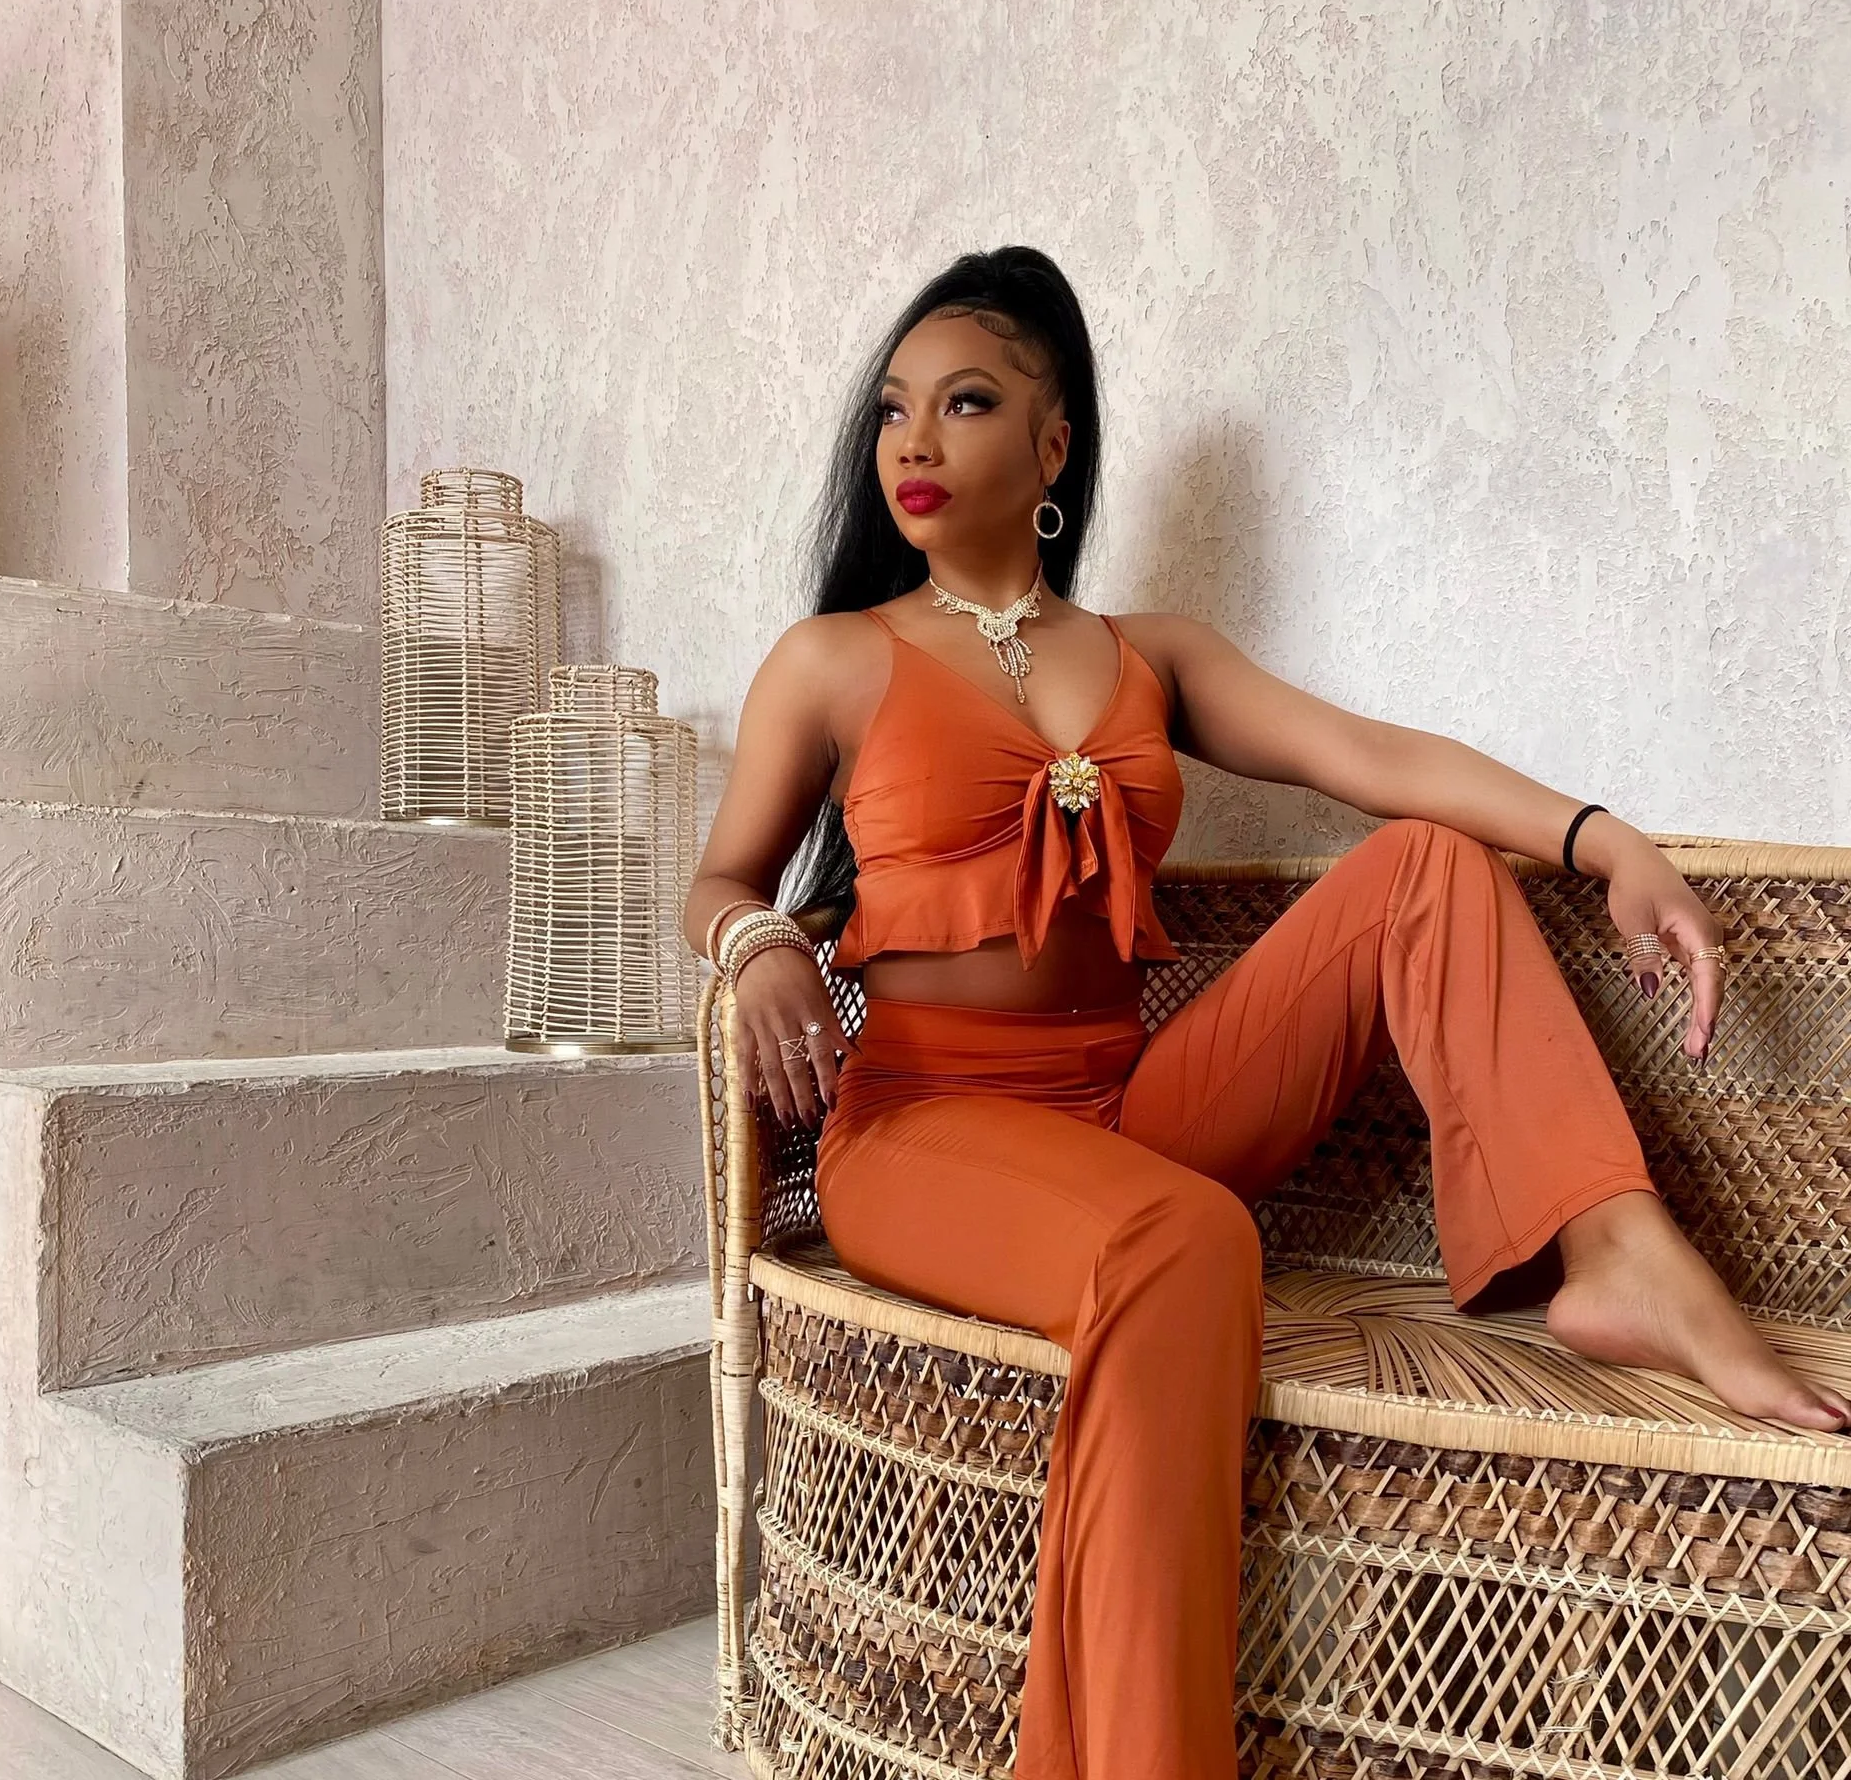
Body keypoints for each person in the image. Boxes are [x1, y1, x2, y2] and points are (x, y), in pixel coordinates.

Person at [683, 245, 1849, 1780]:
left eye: (965, 402)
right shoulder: (832, 660)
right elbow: (715, 879)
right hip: (924, 1132)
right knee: (1183, 1238)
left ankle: (1618, 1251)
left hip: (1129, 1112)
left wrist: (1597, 835)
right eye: (896, 408)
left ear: (1050, 447)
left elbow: (1369, 757)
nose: (913, 439)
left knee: (1424, 869)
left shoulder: (1150, 656)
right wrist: (764, 945)